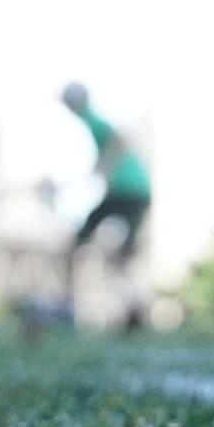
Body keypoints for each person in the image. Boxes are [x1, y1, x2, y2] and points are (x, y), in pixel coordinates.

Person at [60, 82, 151, 325]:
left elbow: (119, 140)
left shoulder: (93, 120)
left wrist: (102, 167)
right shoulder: (90, 121)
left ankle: (68, 305)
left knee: (79, 245)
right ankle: (134, 306)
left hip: (127, 192)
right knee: (122, 256)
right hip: (136, 192)